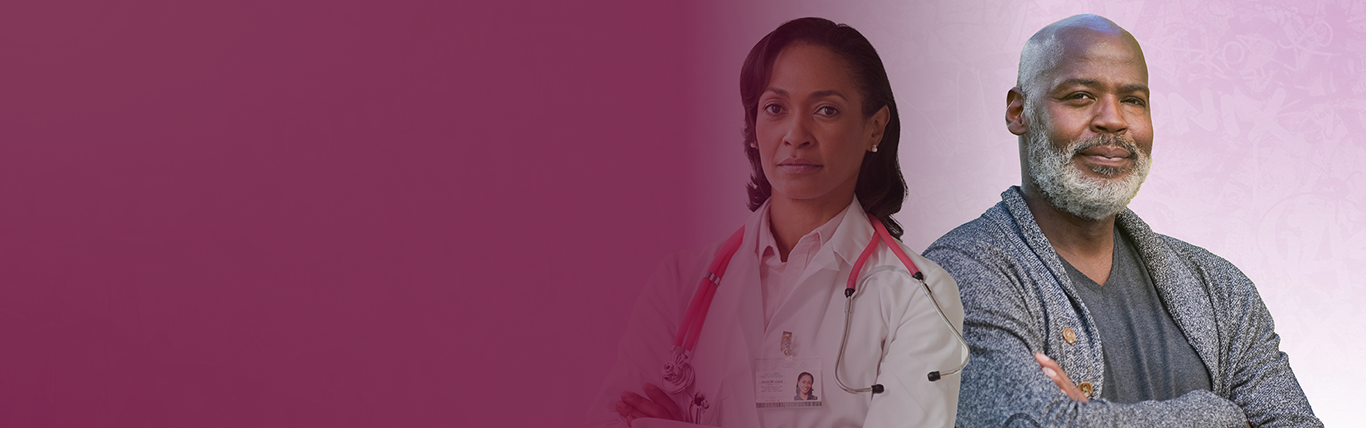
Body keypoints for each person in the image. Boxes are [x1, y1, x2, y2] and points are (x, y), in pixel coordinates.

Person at [923, 14, 1322, 427]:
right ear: (1019, 111)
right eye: (1080, 96)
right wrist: (1219, 417)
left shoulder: (1221, 290)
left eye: (1133, 100)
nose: (1113, 120)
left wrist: (1085, 418)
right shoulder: (957, 275)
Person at [587, 17, 964, 428]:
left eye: (826, 110)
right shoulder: (679, 283)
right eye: (775, 108)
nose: (796, 133)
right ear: (752, 126)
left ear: (874, 127)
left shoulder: (918, 296)